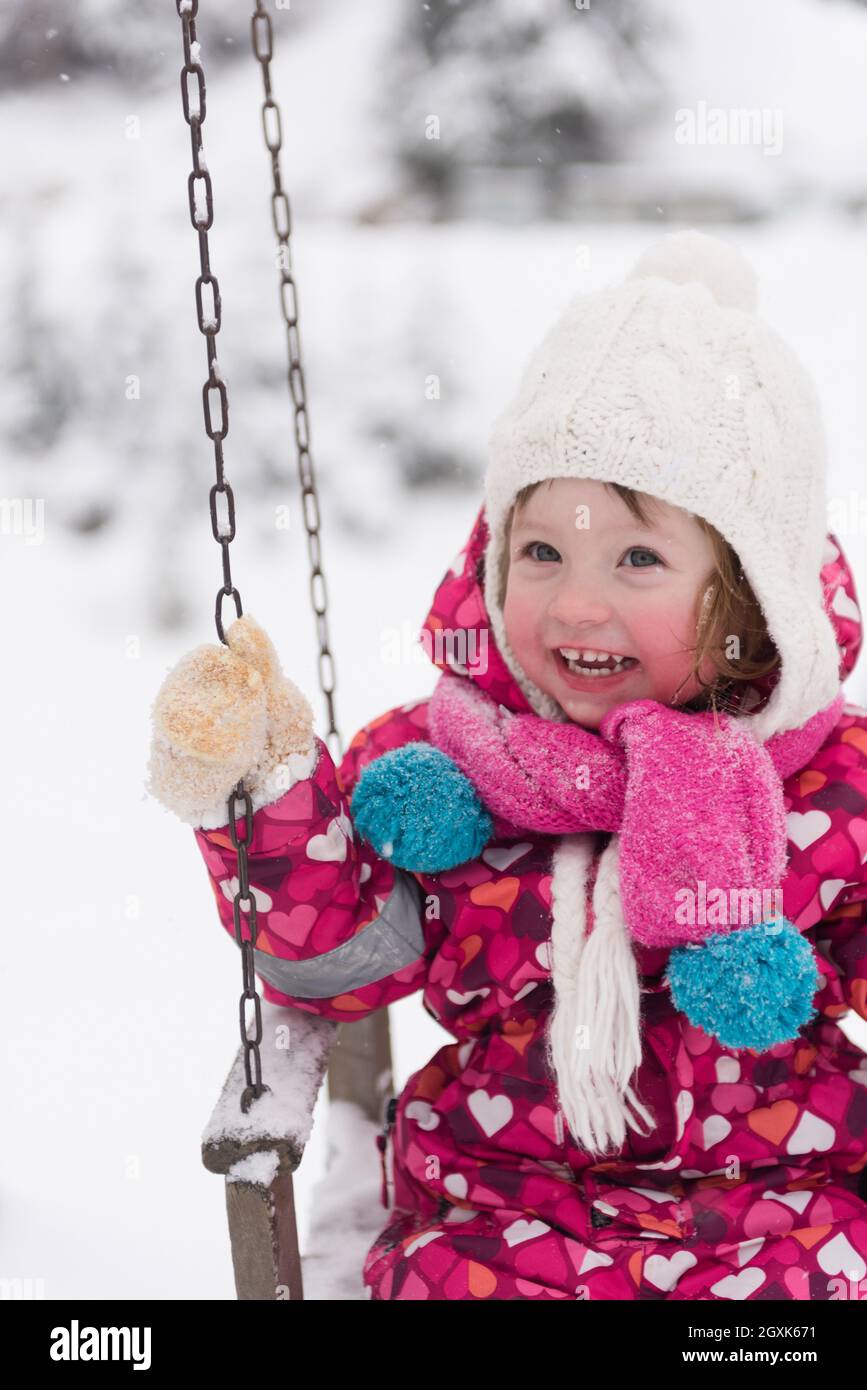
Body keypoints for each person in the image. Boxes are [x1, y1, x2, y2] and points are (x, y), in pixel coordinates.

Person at [147, 230, 867, 1301]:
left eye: (638, 557)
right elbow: (338, 958)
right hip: (499, 1205)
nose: (577, 604)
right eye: (542, 551)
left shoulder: (827, 785)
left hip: (782, 1205)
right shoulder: (441, 761)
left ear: (749, 599)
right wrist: (259, 790)